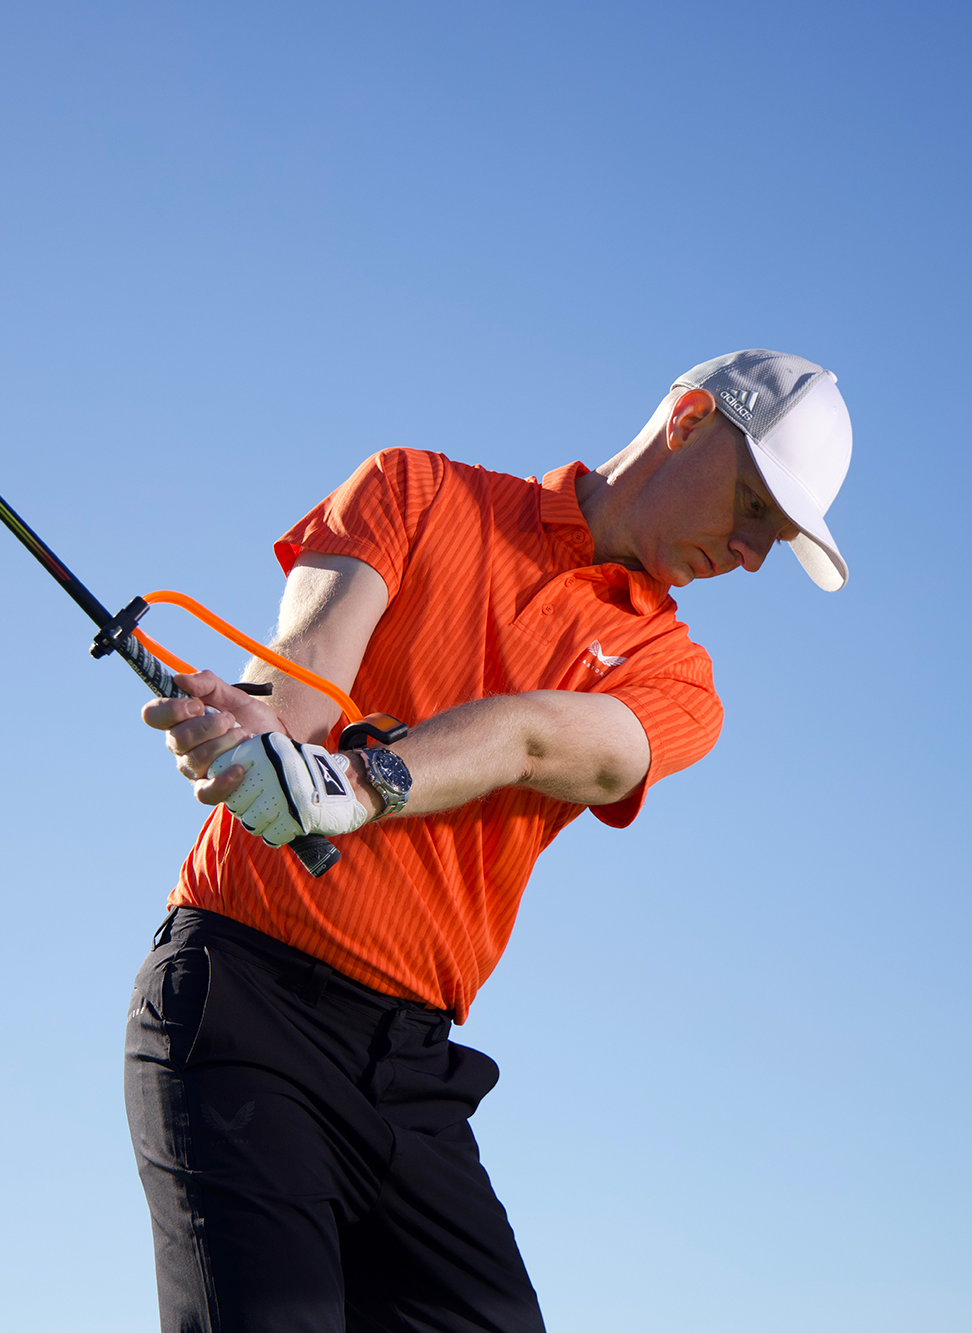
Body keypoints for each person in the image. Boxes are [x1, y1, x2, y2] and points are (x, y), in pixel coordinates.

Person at [127, 350, 854, 1332]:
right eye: (754, 505)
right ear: (687, 421)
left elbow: (536, 736)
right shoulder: (414, 490)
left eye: (774, 535)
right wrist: (245, 729)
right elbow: (295, 695)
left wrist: (357, 785)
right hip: (242, 1002)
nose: (752, 552)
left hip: (410, 1068)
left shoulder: (675, 676)